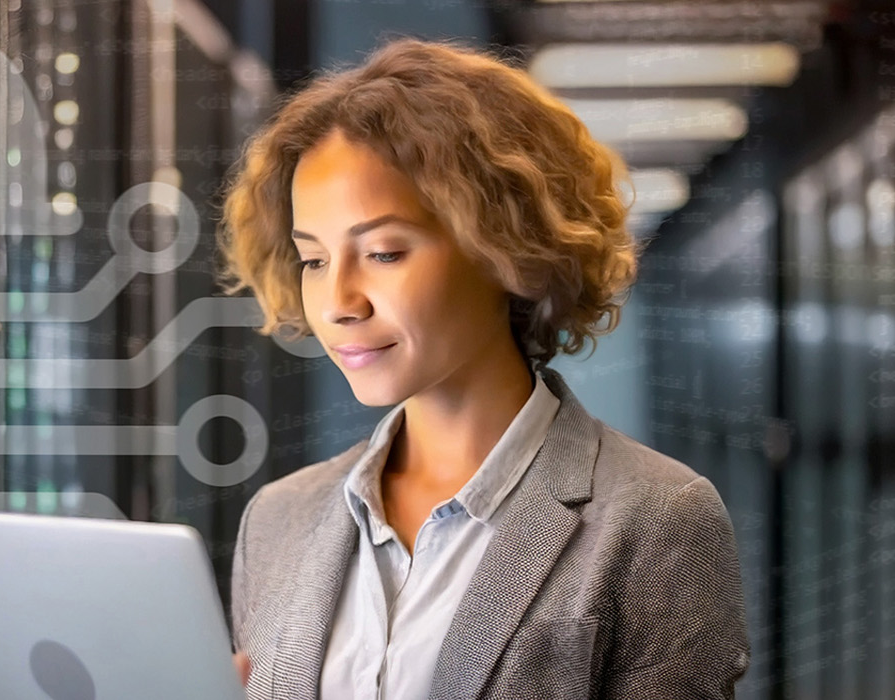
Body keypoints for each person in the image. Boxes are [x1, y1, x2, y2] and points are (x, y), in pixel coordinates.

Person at [212, 36, 750, 700]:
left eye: (382, 252)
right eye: (315, 260)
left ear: (503, 249)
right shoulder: (278, 520)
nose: (339, 304)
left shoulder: (657, 518)